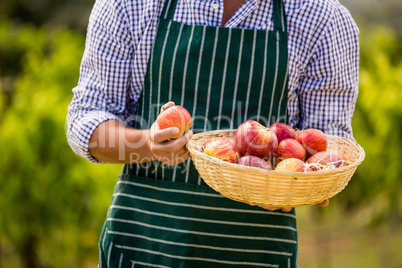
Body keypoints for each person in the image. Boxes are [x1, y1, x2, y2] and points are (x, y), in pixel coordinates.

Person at [67, 0, 359, 266]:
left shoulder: (323, 19)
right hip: (142, 247)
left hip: (257, 253)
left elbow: (329, 148)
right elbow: (86, 118)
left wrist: (304, 184)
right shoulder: (130, 5)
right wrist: (146, 144)